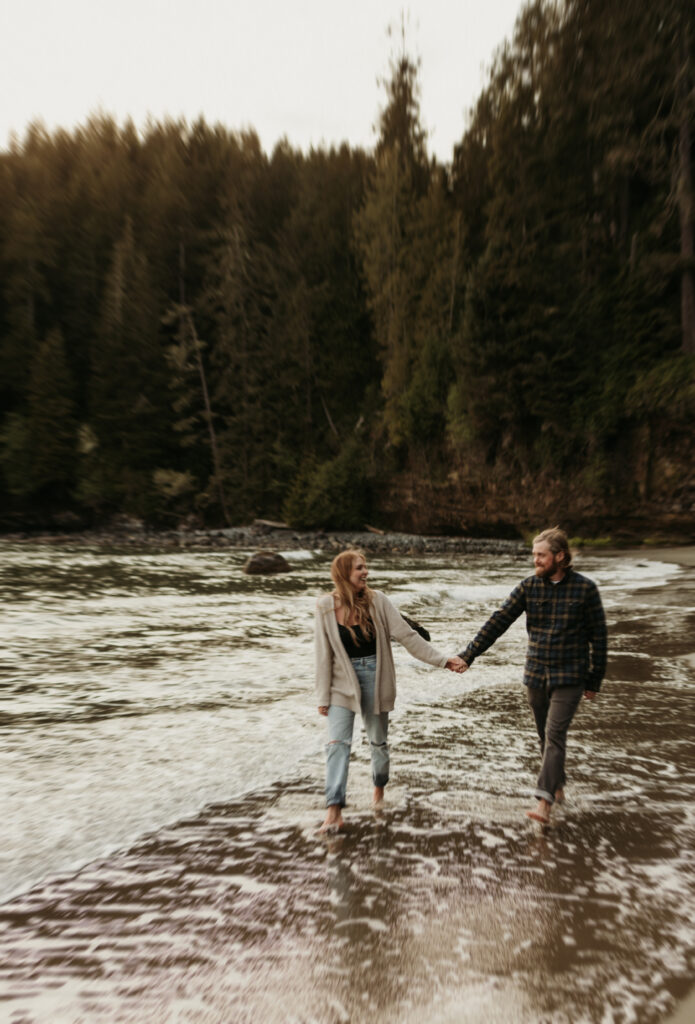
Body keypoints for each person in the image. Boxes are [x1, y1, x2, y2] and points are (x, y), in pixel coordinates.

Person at [457, 527, 607, 825]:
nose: (536, 560)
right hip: (536, 674)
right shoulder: (528, 587)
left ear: (560, 557)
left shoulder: (585, 590)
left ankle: (544, 802)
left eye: (541, 555)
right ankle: (557, 786)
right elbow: (498, 621)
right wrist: (469, 654)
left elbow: (599, 638)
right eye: (535, 555)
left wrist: (594, 679)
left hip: (570, 676)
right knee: (545, 737)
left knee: (554, 735)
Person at [315, 548, 465, 832]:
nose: (365, 572)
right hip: (339, 683)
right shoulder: (324, 607)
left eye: (366, 567)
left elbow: (408, 636)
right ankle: (333, 811)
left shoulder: (378, 601)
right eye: (360, 568)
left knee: (378, 743)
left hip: (375, 675)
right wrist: (322, 696)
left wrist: (443, 661)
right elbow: (323, 655)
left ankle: (378, 789)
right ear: (344, 572)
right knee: (337, 745)